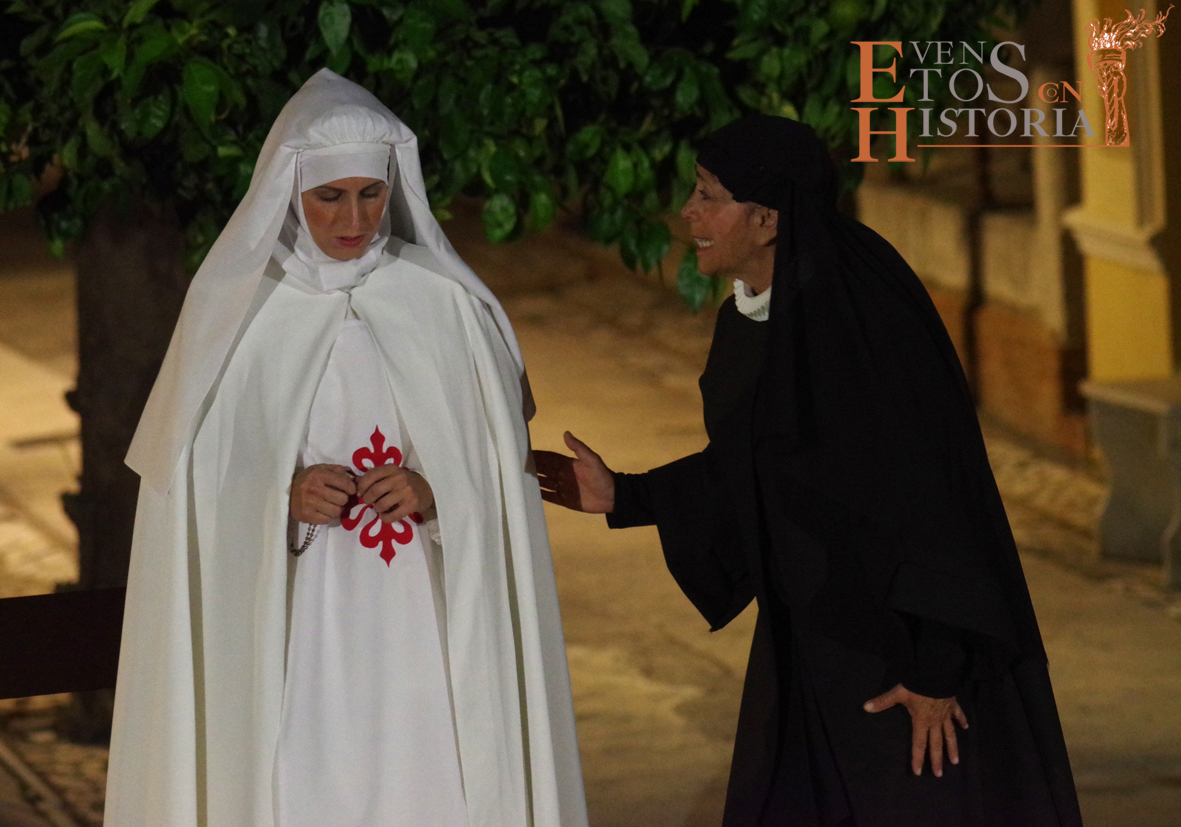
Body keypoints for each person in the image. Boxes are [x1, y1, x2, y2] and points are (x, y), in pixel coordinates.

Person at [535, 115, 1083, 827]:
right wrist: (627, 496)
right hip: (809, 645)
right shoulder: (751, 315)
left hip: (902, 661)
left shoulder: (862, 318)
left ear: (767, 220)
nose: (689, 212)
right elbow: (757, 466)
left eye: (708, 196)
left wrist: (935, 670)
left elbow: (934, 496)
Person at [104, 69, 589, 827]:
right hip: (299, 611)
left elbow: (498, 470)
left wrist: (435, 489)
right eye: (329, 196)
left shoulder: (444, 303)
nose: (353, 217)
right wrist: (282, 494)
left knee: (434, 779)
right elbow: (189, 482)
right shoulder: (242, 312)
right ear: (290, 190)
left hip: (422, 612)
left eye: (370, 192)